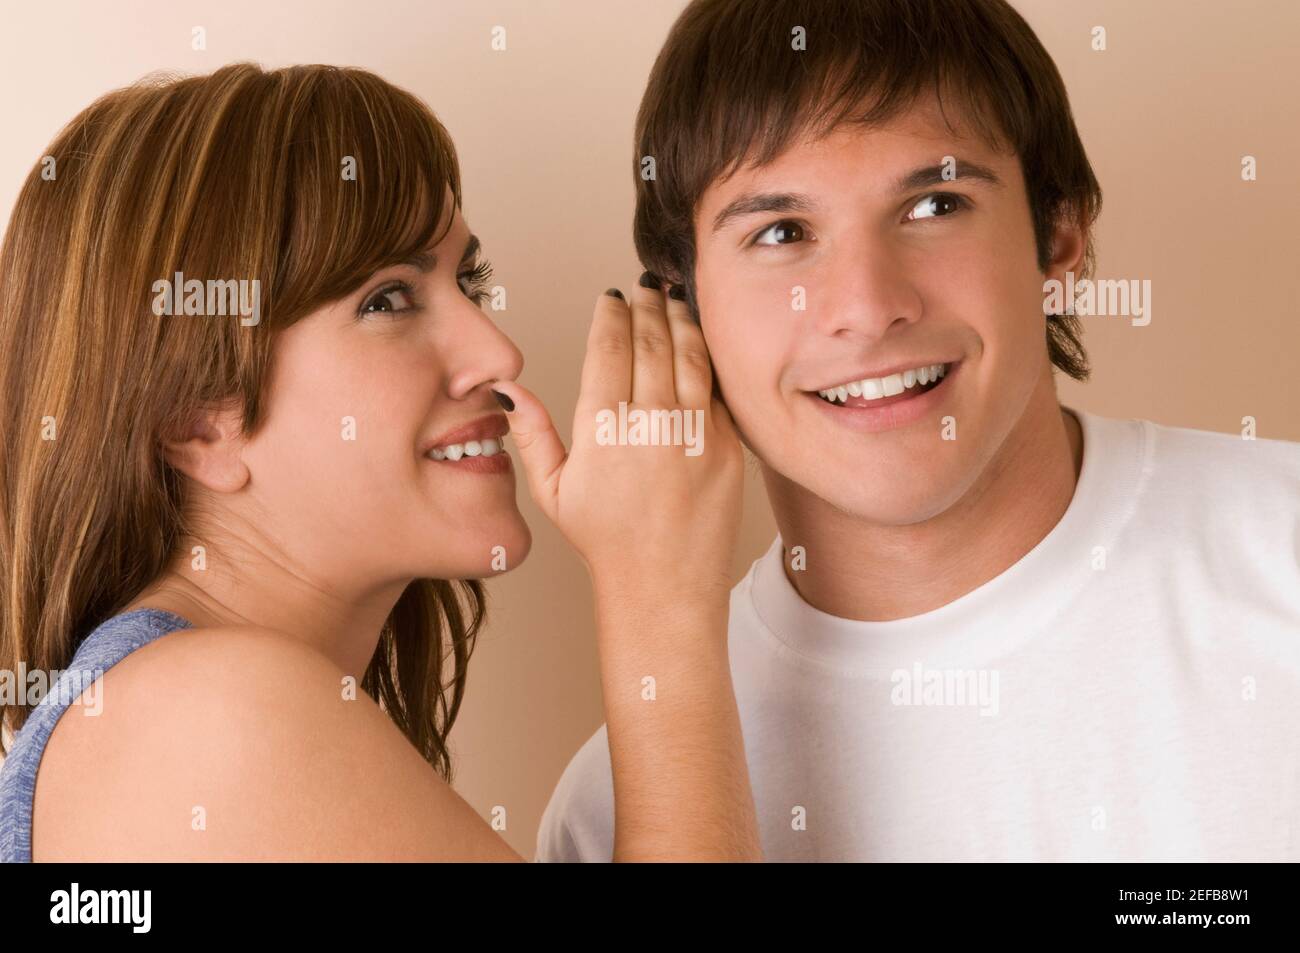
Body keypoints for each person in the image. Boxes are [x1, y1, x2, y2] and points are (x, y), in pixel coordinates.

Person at [537, 0, 1300, 862]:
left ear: (1058, 236)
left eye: (935, 205)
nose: (866, 307)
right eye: (781, 232)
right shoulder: (625, 810)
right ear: (682, 302)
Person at [0, 63, 759, 862]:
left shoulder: (162, 713)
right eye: (387, 299)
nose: (497, 350)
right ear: (199, 420)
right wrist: (661, 594)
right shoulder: (202, 715)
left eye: (469, 281)